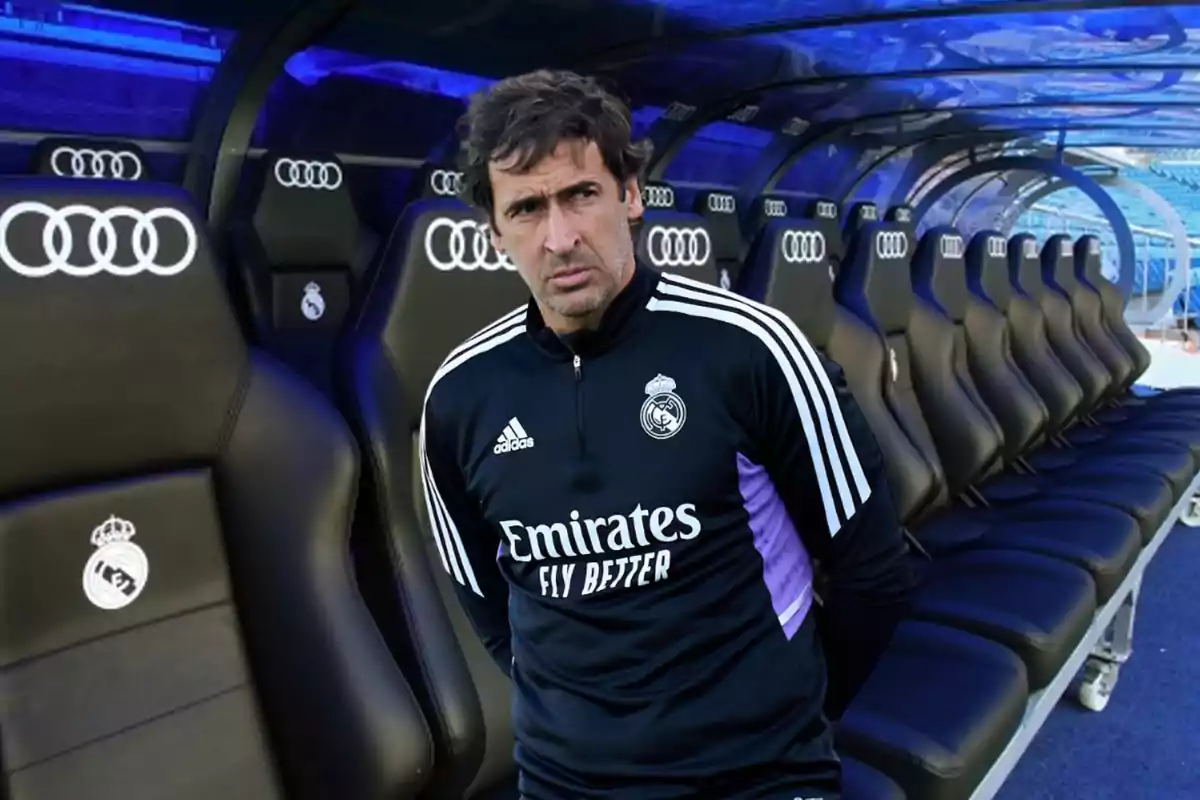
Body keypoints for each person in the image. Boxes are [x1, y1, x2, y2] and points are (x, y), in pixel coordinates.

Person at [418, 68, 916, 800]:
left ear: (630, 195)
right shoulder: (458, 397)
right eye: (526, 209)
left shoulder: (752, 348)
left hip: (755, 780)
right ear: (495, 233)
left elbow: (873, 573)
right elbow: (488, 607)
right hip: (564, 785)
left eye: (581, 195)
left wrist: (786, 716)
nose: (559, 237)